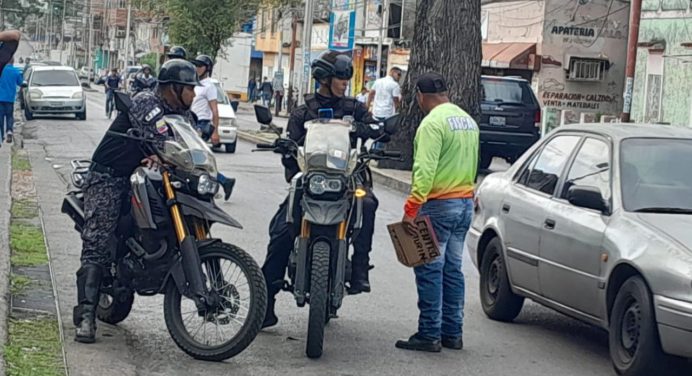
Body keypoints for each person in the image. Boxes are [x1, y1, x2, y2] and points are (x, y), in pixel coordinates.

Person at [73, 59, 201, 344]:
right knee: (97, 238)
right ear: (173, 88)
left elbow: (194, 144)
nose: (194, 95)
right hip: (110, 175)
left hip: (142, 177)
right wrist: (159, 152)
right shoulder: (147, 101)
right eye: (190, 89)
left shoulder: (182, 114)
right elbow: (160, 136)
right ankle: (86, 315)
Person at [262, 50, 389, 329]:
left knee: (367, 204)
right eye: (341, 77)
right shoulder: (303, 111)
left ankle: (359, 269)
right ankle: (266, 303)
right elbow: (291, 145)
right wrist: (285, 148)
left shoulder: (354, 108)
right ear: (324, 77)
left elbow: (374, 128)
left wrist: (370, 129)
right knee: (281, 230)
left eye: (347, 77)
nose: (345, 82)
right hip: (311, 182)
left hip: (348, 180)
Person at [395, 72, 479, 353]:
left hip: (438, 205)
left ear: (421, 95)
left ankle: (429, 333)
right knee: (453, 270)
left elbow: (424, 171)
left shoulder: (431, 124)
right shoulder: (467, 121)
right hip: (464, 203)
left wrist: (411, 209)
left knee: (430, 268)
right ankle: (452, 333)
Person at [190, 54, 236, 200]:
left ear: (207, 68)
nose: (197, 68)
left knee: (196, 159)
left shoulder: (209, 86)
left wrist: (215, 131)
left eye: (200, 66)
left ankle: (219, 182)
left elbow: (215, 110)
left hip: (202, 125)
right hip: (191, 123)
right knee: (194, 159)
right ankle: (223, 181)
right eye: (196, 65)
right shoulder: (195, 83)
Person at [368, 67, 402, 149]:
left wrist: (367, 105)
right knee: (383, 135)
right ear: (392, 72)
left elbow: (371, 93)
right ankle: (378, 153)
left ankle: (373, 150)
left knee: (375, 132)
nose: (399, 77)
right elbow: (395, 99)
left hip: (376, 112)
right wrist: (398, 108)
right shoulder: (394, 85)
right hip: (387, 114)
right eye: (399, 74)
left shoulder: (378, 81)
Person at [0, 57, 23, 144]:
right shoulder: (15, 71)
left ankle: (1, 136)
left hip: (0, 98)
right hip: (10, 99)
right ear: (13, 62)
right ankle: (9, 131)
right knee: (9, 116)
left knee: (0, 118)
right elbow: (21, 83)